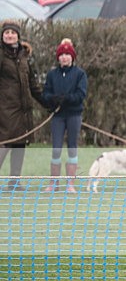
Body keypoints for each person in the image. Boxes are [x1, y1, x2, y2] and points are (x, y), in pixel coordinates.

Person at [0, 20, 46, 192]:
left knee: (20, 144)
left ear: (18, 36)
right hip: (5, 109)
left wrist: (47, 102)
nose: (9, 35)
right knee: (5, 144)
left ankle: (14, 182)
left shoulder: (24, 55)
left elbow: (32, 84)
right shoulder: (1, 55)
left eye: (12, 33)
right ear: (2, 35)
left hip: (23, 109)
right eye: (6, 33)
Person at [42, 38, 88, 193]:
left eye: (68, 54)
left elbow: (81, 94)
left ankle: (70, 184)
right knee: (56, 148)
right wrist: (52, 99)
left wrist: (67, 98)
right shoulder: (52, 75)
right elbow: (46, 93)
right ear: (58, 57)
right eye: (62, 54)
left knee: (72, 147)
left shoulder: (80, 74)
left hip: (74, 114)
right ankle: (53, 183)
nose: (64, 57)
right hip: (58, 116)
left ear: (72, 57)